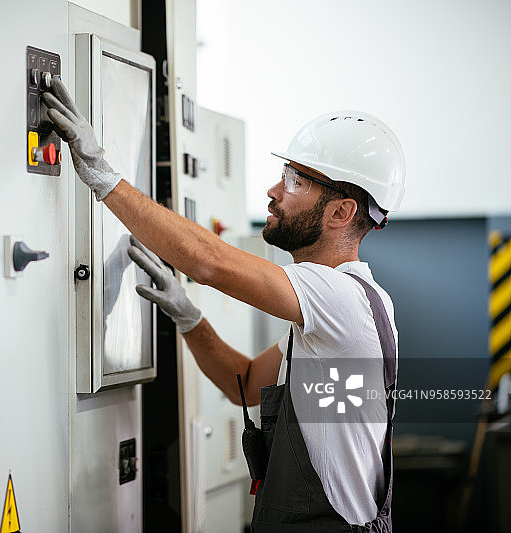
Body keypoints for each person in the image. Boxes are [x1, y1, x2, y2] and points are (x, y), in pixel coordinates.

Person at [43, 77, 403, 532]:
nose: (274, 190)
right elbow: (246, 384)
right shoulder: (349, 307)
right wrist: (188, 317)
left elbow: (209, 262)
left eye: (294, 179)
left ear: (341, 213)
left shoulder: (339, 298)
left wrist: (101, 173)